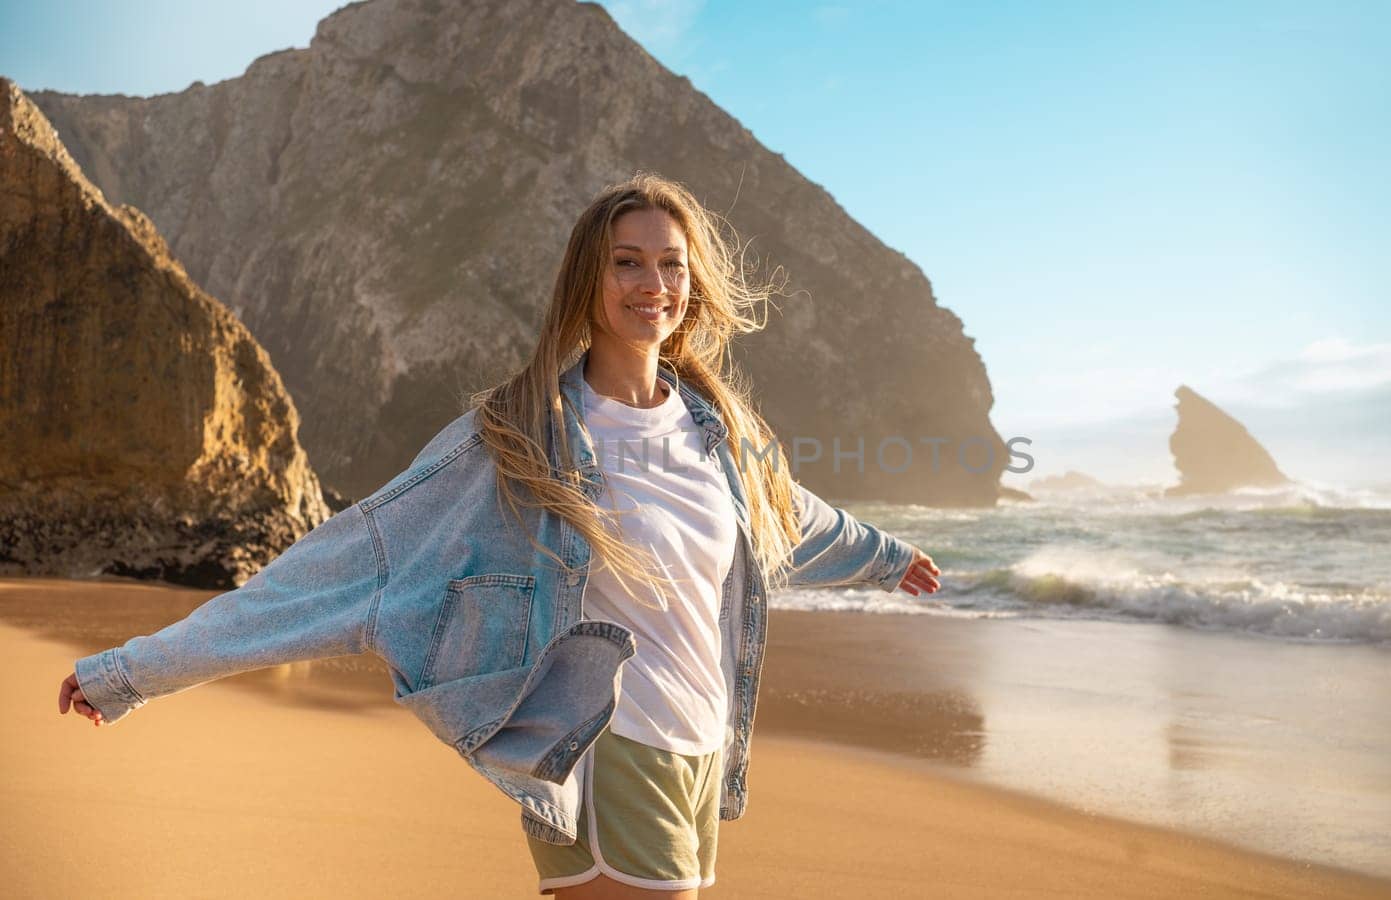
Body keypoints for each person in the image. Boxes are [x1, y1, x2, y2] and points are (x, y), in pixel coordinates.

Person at [58, 172, 942, 898]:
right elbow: (343, 565)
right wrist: (131, 671)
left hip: (700, 751)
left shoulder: (718, 429)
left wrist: (889, 557)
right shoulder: (518, 438)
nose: (652, 285)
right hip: (601, 752)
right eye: (627, 263)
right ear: (588, 282)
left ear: (693, 283)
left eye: (670, 265)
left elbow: (790, 513)